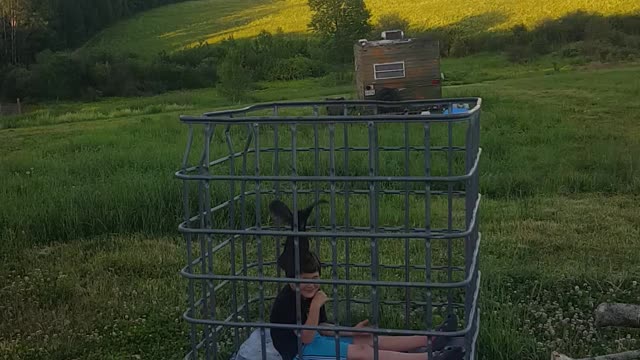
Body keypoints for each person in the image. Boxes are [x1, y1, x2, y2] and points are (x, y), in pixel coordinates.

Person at [269, 251, 464, 360]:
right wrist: (314, 307)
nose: (311, 284)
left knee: (370, 339)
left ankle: (430, 339)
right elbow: (307, 337)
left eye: (315, 278)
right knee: (362, 353)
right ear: (292, 281)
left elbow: (322, 328)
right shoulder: (286, 302)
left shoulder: (311, 294)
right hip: (299, 353)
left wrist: (349, 331)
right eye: (305, 280)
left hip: (314, 340)